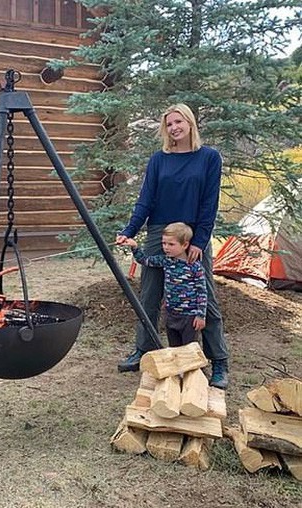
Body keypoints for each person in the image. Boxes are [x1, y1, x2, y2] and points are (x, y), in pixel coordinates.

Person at [115, 103, 230, 389]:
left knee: (205, 297)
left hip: (191, 235)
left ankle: (219, 361)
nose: (174, 127)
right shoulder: (159, 160)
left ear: (190, 123)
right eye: (169, 124)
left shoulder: (209, 158)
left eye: (179, 122)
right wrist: (129, 230)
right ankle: (144, 351)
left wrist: (200, 240)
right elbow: (145, 200)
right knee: (149, 295)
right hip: (159, 233)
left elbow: (210, 203)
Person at [121, 223, 207, 348]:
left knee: (190, 349)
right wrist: (134, 247)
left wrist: (200, 315)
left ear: (185, 245)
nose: (166, 247)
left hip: (189, 317)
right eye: (164, 243)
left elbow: (202, 292)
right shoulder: (166, 260)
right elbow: (145, 260)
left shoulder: (195, 267)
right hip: (171, 314)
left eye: (171, 244)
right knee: (174, 348)